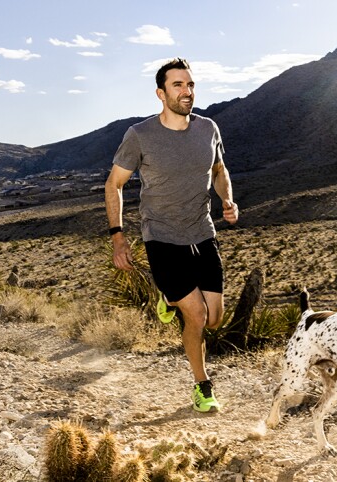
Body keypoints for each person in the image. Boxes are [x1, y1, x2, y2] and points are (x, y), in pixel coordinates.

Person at [104, 57, 239, 413]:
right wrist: (118, 237)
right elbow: (114, 185)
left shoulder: (208, 128)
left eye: (190, 84)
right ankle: (202, 385)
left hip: (202, 232)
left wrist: (227, 198)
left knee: (214, 318)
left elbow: (219, 169)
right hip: (161, 237)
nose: (186, 91)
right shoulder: (140, 135)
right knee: (195, 316)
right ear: (160, 93)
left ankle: (169, 298)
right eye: (178, 85)